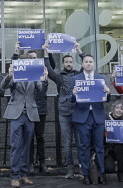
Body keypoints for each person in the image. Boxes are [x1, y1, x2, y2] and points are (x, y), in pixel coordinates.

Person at [1, 49, 49, 188]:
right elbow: (3, 86)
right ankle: (14, 177)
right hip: (16, 113)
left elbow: (41, 89)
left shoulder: (34, 74)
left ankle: (24, 175)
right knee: (16, 146)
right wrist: (9, 75)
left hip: (30, 114)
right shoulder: (16, 73)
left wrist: (44, 78)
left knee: (27, 146)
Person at [43, 42, 86, 179]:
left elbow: (86, 62)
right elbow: (48, 68)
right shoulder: (59, 76)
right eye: (66, 62)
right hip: (64, 113)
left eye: (70, 62)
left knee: (80, 143)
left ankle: (82, 168)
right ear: (63, 63)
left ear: (73, 63)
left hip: (78, 112)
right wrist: (46, 51)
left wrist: (79, 49)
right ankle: (70, 169)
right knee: (67, 143)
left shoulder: (78, 75)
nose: (68, 64)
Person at [70, 54, 111, 185]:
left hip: (98, 116)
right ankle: (86, 174)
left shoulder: (101, 78)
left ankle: (102, 173)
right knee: (84, 147)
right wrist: (73, 94)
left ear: (94, 64)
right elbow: (71, 100)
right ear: (82, 64)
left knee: (100, 147)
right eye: (86, 62)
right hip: (83, 117)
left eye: (90, 62)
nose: (88, 64)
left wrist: (108, 93)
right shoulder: (76, 79)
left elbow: (107, 99)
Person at [12, 45, 54, 174]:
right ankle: (29, 163)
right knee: (28, 138)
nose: (33, 60)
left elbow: (51, 65)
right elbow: (14, 66)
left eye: (35, 58)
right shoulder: (23, 71)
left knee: (40, 137)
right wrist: (15, 52)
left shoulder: (40, 69)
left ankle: (42, 163)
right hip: (26, 108)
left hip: (40, 108)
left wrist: (47, 52)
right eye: (31, 58)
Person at [104, 100, 123, 183]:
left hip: (118, 149)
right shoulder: (106, 118)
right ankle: (101, 172)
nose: (119, 110)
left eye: (121, 109)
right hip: (106, 149)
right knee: (109, 168)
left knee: (121, 148)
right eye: (117, 108)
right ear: (113, 108)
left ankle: (121, 173)